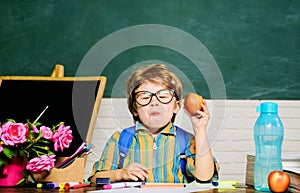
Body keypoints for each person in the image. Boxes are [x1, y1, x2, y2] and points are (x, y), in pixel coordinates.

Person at [89, 64, 219, 184]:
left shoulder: (187, 141)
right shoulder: (120, 139)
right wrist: (120, 173)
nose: (154, 102)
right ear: (134, 109)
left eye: (163, 96)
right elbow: (95, 179)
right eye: (145, 97)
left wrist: (199, 129)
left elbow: (205, 177)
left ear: (176, 107)